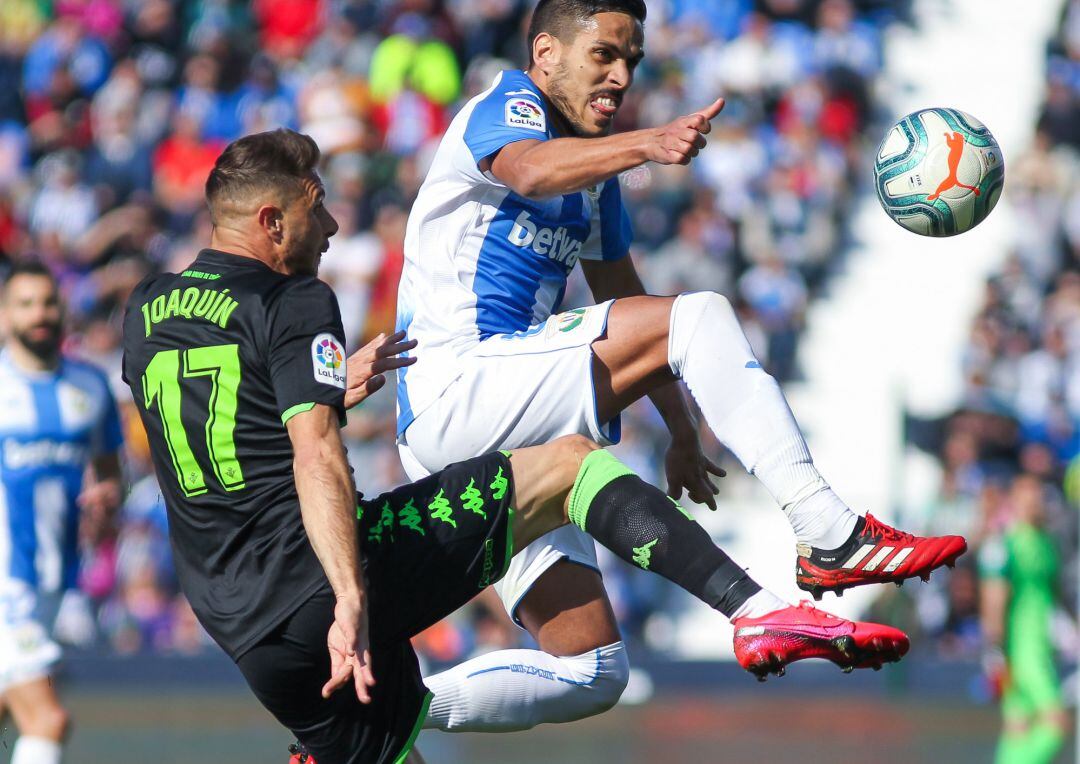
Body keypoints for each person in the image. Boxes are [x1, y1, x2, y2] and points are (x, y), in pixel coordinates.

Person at [121, 128, 912, 764]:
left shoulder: (147, 311)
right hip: (325, 590)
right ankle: (760, 611)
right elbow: (313, 456)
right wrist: (353, 598)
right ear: (270, 222)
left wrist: (323, 389)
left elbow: (213, 424)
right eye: (314, 209)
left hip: (243, 631)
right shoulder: (297, 299)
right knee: (570, 464)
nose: (329, 228)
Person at [386, 0, 968, 734]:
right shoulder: (506, 106)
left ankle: (378, 715)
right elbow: (530, 173)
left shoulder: (592, 174)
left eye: (631, 59)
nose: (620, 75)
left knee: (591, 673)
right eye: (604, 54)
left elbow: (622, 298)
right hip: (459, 382)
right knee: (700, 314)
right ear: (544, 56)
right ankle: (831, 533)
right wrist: (648, 143)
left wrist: (681, 431)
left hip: (484, 422)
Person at [0, 261, 124, 764]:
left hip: (54, 579)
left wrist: (108, 496)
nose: (40, 314)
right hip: (7, 583)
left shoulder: (90, 387)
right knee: (47, 719)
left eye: (48, 302)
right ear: (6, 315)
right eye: (26, 304)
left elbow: (110, 472)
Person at [979, 474, 1067, 764]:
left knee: (1018, 727)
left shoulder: (1046, 543)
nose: (1035, 504)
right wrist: (994, 648)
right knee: (1056, 722)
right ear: (1014, 502)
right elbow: (994, 594)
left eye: (1038, 498)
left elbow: (1056, 595)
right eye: (1028, 498)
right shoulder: (1005, 543)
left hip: (1043, 644)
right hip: (1020, 648)